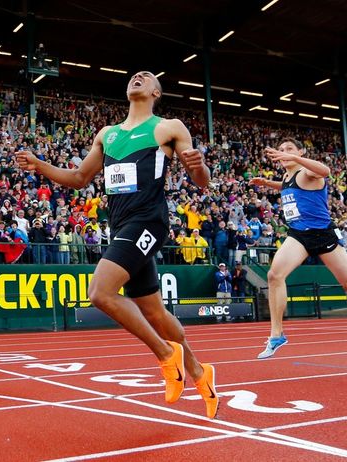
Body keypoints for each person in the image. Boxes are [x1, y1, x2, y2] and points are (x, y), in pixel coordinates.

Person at [16, 71, 218, 418]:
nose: (138, 77)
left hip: (148, 222)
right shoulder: (107, 135)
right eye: (134, 75)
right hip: (121, 226)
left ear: (156, 91)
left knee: (100, 292)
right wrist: (39, 165)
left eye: (147, 76)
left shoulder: (169, 127)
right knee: (154, 311)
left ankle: (166, 355)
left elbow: (201, 181)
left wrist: (200, 170)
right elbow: (79, 179)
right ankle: (200, 372)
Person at [249, 138, 347, 359]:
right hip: (298, 235)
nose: (283, 153)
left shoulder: (308, 172)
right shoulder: (287, 176)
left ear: (300, 151)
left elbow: (326, 170)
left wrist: (294, 157)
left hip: (323, 235)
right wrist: (266, 183)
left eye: (289, 149)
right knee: (274, 275)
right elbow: (287, 187)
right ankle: (277, 334)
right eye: (281, 150)